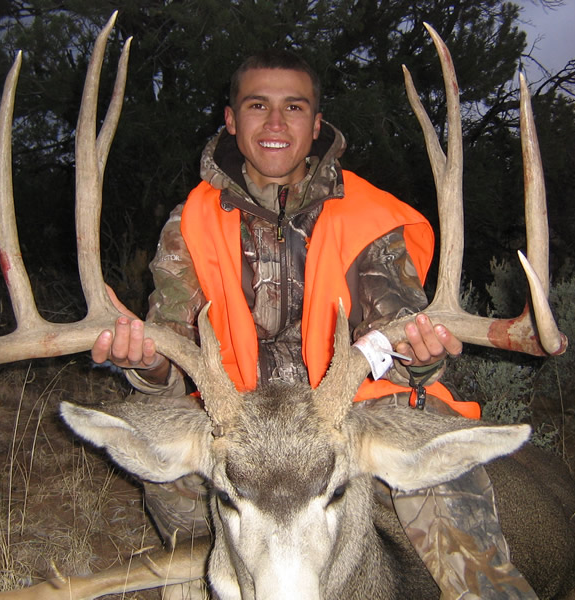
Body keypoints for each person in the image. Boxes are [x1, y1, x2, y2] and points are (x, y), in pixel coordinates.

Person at [92, 49, 536, 599]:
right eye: (258, 105)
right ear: (231, 119)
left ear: (317, 123)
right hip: (241, 423)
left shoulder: (368, 217)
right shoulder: (192, 223)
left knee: (447, 497)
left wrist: (420, 359)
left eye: (294, 107)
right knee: (170, 479)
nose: (275, 123)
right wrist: (149, 365)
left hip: (345, 417)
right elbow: (174, 350)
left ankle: (489, 590)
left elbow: (399, 331)